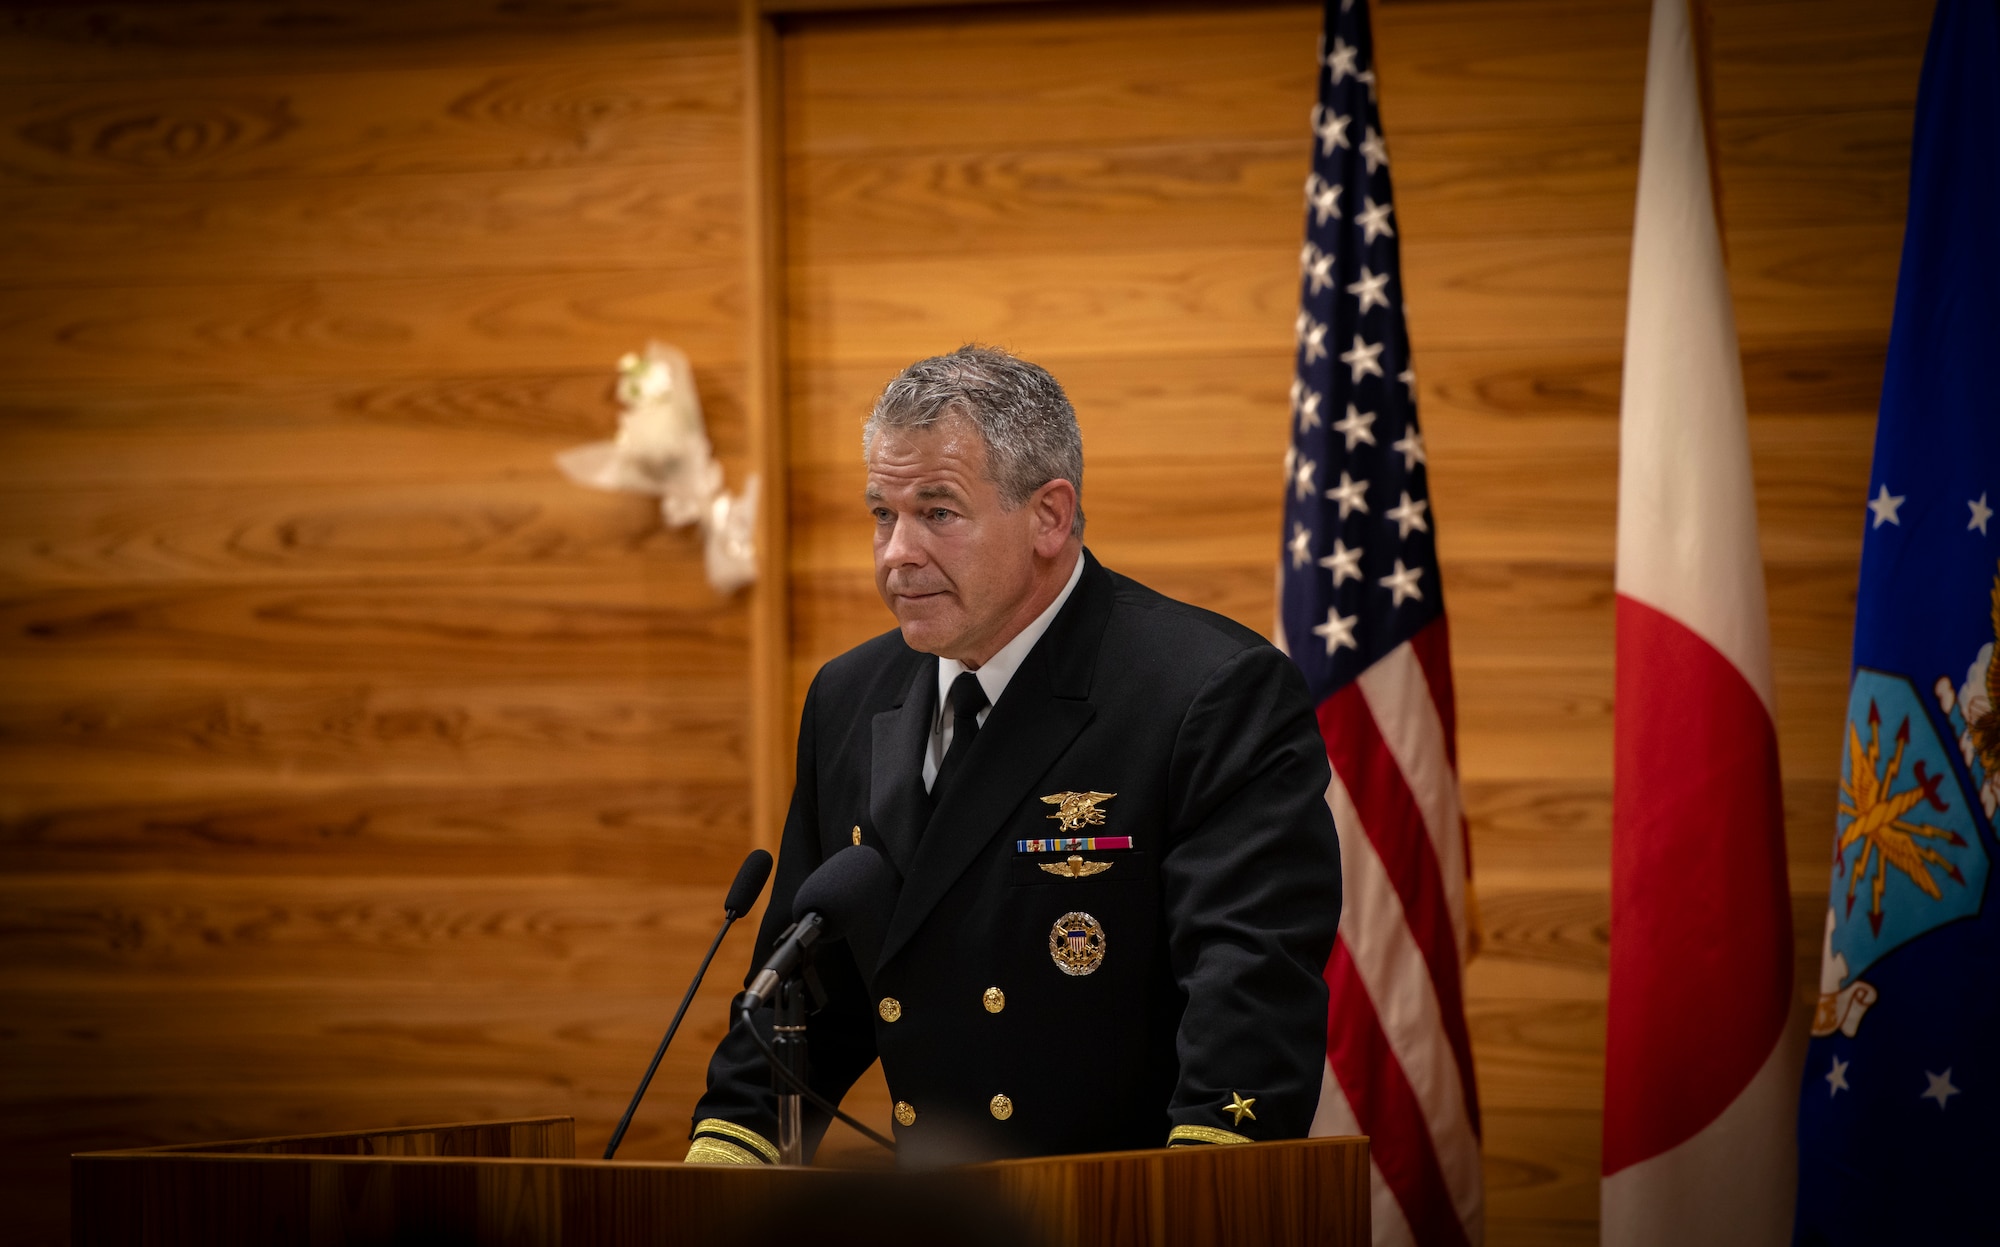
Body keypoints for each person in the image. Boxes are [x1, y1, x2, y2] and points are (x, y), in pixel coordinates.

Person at [685, 345, 1341, 1166]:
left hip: (1122, 1211)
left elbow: (1249, 985)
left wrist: (1196, 1203)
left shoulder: (1207, 691)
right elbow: (800, 995)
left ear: (1049, 516)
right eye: (882, 513)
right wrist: (726, 1159)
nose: (895, 554)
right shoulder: (850, 697)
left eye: (938, 512)